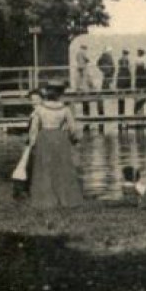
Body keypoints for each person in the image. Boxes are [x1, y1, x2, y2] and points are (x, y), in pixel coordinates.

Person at [26, 82, 85, 210]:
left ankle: (47, 199)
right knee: (62, 167)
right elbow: (73, 128)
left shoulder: (40, 109)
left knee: (45, 168)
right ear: (60, 94)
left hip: (44, 138)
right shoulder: (65, 109)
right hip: (59, 137)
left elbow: (34, 129)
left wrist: (32, 143)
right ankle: (64, 198)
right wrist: (74, 139)